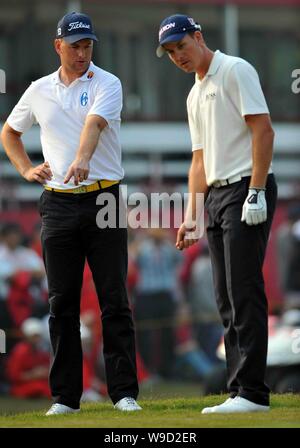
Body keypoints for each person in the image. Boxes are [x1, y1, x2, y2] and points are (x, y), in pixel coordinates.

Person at [1, 12, 140, 415]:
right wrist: (26, 168)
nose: (82, 53)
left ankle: (124, 393)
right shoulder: (38, 90)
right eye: (75, 45)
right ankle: (65, 398)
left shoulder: (107, 82)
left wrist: (82, 159)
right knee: (61, 302)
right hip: (58, 200)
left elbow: (94, 126)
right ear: (57, 46)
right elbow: (9, 131)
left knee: (114, 298)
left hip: (104, 198)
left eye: (88, 45)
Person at [156, 14, 277, 413]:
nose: (178, 56)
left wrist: (256, 192)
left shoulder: (234, 70)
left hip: (247, 186)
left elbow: (263, 130)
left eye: (182, 46)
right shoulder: (194, 94)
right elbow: (199, 160)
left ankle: (254, 394)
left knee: (243, 290)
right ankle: (238, 390)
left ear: (198, 37)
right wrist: (191, 214)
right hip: (217, 197)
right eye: (171, 52)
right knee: (224, 296)